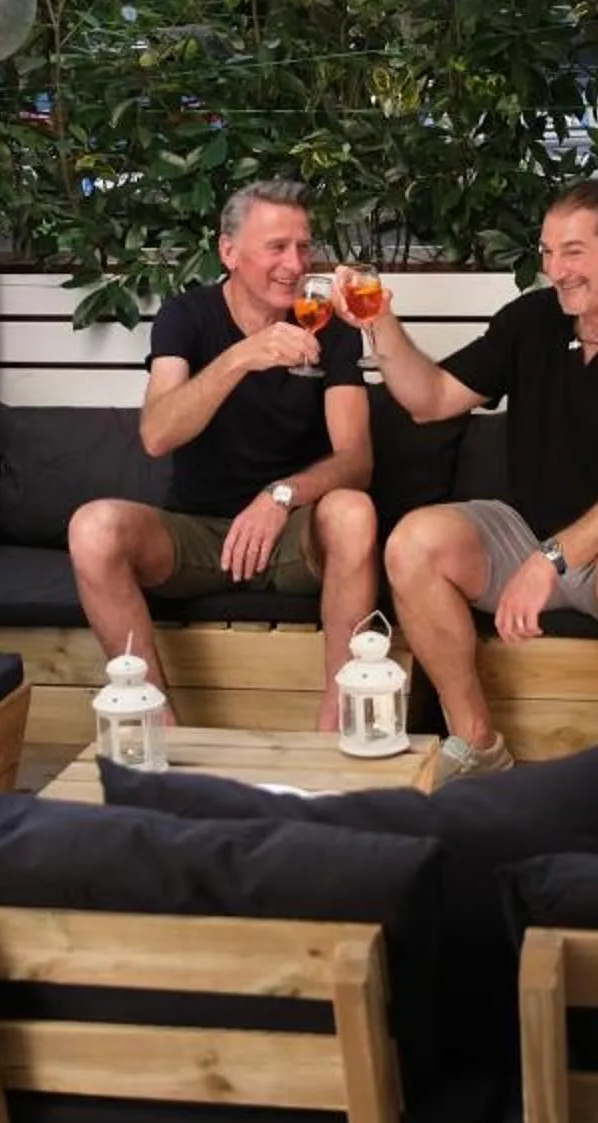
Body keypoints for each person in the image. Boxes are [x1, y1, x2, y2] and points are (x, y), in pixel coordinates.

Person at [340, 178, 598, 821]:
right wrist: (381, 326)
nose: (554, 271)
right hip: (526, 528)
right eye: (546, 253)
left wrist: (550, 559)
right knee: (413, 541)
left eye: (572, 252)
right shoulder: (531, 321)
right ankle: (478, 743)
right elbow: (430, 400)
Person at [67, 179, 379, 731]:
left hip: (291, 535)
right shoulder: (187, 317)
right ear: (228, 252)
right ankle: (154, 724)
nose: (294, 263)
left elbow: (356, 460)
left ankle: (337, 723)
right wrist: (240, 359)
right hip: (197, 534)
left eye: (304, 247)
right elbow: (157, 434)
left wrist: (280, 496)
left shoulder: (328, 324)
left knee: (354, 510)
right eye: (276, 247)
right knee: (92, 528)